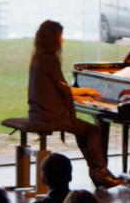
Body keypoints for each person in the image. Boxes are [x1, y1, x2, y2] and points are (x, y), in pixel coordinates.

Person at [28, 19, 122, 188]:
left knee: (83, 131)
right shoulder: (50, 61)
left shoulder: (38, 58)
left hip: (39, 112)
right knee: (93, 131)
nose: (62, 40)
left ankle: (96, 173)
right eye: (60, 36)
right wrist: (86, 92)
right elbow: (64, 90)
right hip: (50, 116)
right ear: (52, 38)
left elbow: (57, 90)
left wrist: (77, 95)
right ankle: (100, 171)